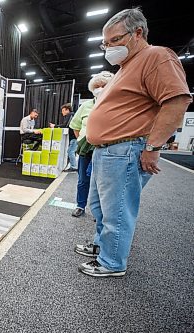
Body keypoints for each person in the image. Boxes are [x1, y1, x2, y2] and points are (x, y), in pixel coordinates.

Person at [75, 8, 191, 277]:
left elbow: (177, 100)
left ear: (137, 33)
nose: (109, 48)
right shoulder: (126, 67)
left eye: (114, 40)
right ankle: (101, 247)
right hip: (107, 150)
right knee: (100, 207)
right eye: (105, 43)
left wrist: (153, 147)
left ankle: (112, 263)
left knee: (116, 210)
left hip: (124, 149)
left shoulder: (156, 57)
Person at [69, 71, 114, 218]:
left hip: (108, 151)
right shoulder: (86, 106)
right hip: (87, 150)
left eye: (104, 85)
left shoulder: (116, 105)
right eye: (97, 85)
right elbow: (75, 126)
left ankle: (100, 212)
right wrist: (84, 140)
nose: (100, 88)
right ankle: (80, 206)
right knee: (83, 180)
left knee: (104, 183)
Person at [50, 103, 77, 171]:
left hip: (74, 137)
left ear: (67, 110)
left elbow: (65, 125)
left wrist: (55, 126)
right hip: (73, 137)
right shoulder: (71, 115)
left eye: (63, 110)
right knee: (71, 151)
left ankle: (74, 167)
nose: (62, 112)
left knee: (70, 151)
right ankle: (73, 166)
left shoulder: (70, 115)